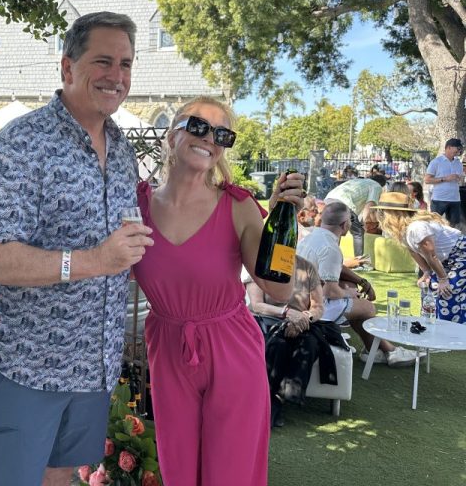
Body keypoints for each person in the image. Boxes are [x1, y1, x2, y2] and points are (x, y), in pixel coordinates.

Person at [0, 11, 153, 486]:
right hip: (26, 366)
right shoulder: (23, 143)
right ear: (67, 67)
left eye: (126, 64)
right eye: (103, 61)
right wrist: (97, 261)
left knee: (63, 477)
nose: (117, 76)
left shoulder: (122, 149)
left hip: (94, 364)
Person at [133, 96, 305, 486]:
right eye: (199, 126)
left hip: (231, 348)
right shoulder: (137, 205)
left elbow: (278, 291)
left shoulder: (238, 206)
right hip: (168, 348)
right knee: (178, 470)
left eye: (222, 134)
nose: (210, 138)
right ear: (172, 134)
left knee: (230, 472)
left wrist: (283, 223)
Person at [297, 201, 417, 367]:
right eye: (351, 220)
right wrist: (349, 294)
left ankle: (375, 351)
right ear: (344, 224)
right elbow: (330, 291)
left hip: (299, 300)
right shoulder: (330, 247)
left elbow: (336, 268)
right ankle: (389, 351)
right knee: (367, 307)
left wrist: (361, 281)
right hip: (312, 308)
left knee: (352, 291)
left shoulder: (311, 237)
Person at [247, 255, 332, 428]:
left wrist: (305, 318)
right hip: (270, 320)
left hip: (302, 323)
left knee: (309, 344)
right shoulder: (261, 263)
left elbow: (318, 306)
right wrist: (286, 313)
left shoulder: (307, 267)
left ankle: (281, 399)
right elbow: (257, 305)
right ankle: (270, 399)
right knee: (278, 344)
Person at [375, 191, 466, 322]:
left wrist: (443, 279)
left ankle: (453, 329)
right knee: (431, 290)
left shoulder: (416, 228)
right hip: (446, 258)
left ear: (391, 214)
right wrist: (427, 272)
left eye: (382, 211)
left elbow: (432, 255)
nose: (379, 215)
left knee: (447, 292)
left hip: (460, 254)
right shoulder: (403, 230)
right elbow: (413, 252)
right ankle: (434, 325)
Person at [324, 174, 387, 256]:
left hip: (328, 200)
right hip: (343, 203)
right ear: (382, 185)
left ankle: (331, 257)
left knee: (336, 231)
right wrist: (364, 224)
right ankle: (359, 260)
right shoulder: (376, 186)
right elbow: (369, 206)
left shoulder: (360, 181)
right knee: (358, 232)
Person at [425, 138, 464, 226]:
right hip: (439, 199)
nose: (459, 151)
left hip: (455, 198)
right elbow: (427, 180)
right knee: (435, 224)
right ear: (449, 147)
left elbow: (459, 179)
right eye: (457, 148)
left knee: (453, 225)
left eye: (460, 149)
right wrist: (445, 178)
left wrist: (459, 178)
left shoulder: (458, 163)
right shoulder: (436, 162)